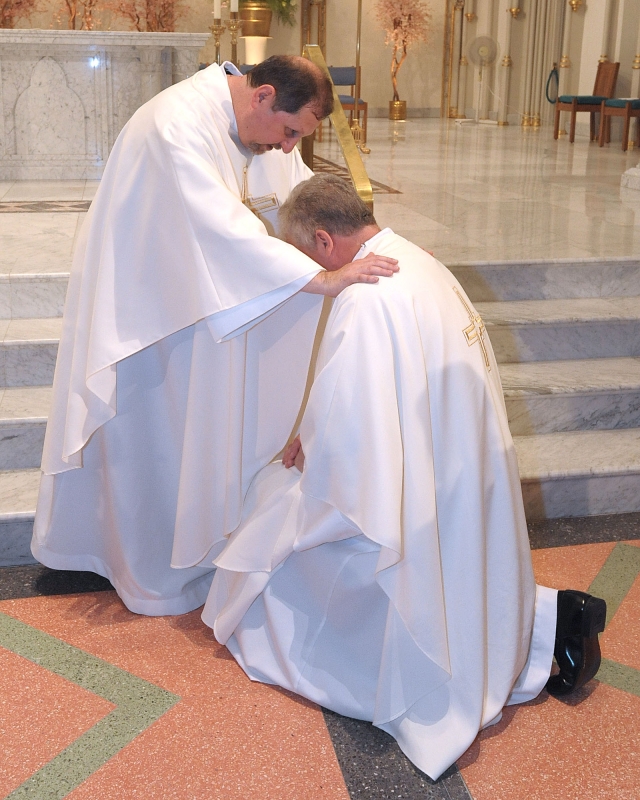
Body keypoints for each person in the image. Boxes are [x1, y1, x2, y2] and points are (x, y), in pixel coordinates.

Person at [201, 175, 607, 780]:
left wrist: (314, 455)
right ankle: (552, 621)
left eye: (302, 255)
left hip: (423, 487)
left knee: (278, 531)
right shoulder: (417, 260)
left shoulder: (366, 294)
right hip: (464, 469)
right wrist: (312, 433)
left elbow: (351, 429)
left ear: (322, 240)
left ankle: (381, 663)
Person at [31, 58, 398, 616]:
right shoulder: (174, 126)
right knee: (157, 444)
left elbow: (301, 194)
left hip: (210, 318)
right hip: (153, 323)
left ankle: (216, 553)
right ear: (264, 96)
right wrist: (317, 276)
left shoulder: (260, 131)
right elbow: (219, 229)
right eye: (289, 132)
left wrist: (364, 242)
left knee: (205, 442)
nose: (286, 147)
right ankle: (149, 568)